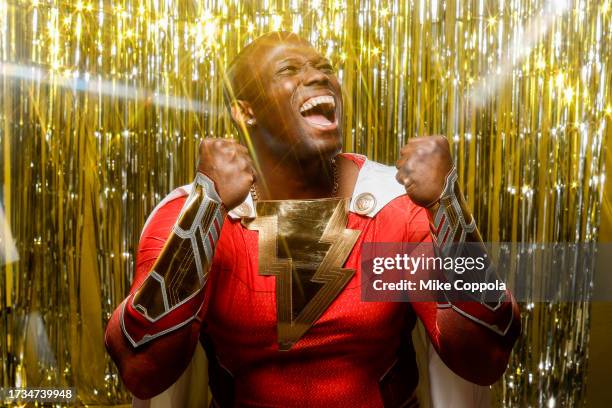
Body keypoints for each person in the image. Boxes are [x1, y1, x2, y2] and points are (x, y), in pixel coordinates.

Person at [104, 31, 520, 407]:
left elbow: (485, 357)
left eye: (325, 69)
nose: (318, 77)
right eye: (289, 70)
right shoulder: (193, 213)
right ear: (244, 111)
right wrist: (206, 210)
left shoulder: (394, 207)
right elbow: (142, 370)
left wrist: (447, 206)